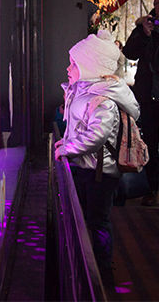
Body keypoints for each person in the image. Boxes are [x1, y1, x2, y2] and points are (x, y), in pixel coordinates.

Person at [55, 29, 140, 288]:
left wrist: (68, 149)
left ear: (89, 66)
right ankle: (89, 267)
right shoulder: (85, 91)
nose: (68, 68)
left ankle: (103, 273)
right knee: (89, 220)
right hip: (88, 169)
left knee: (98, 221)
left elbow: (96, 136)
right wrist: (66, 142)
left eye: (73, 63)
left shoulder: (104, 99)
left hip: (100, 174)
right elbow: (80, 127)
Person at [123, 0, 159, 206]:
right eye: (157, 4)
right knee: (151, 144)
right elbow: (129, 53)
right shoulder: (144, 28)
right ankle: (153, 189)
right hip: (149, 97)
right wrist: (145, 34)